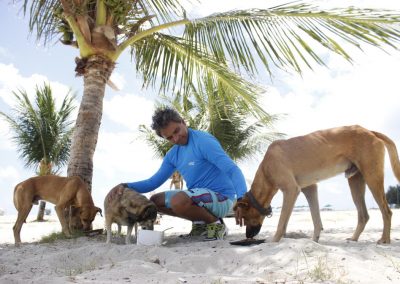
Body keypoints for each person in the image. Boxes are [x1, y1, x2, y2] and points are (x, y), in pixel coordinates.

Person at [113, 107, 247, 241]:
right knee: (154, 202)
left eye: (176, 131)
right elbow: (153, 182)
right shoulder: (173, 155)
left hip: (222, 198)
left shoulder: (203, 141)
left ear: (183, 122)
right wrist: (125, 185)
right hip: (199, 197)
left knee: (178, 201)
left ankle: (216, 224)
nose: (176, 139)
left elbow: (232, 170)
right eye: (169, 137)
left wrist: (242, 199)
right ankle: (200, 224)